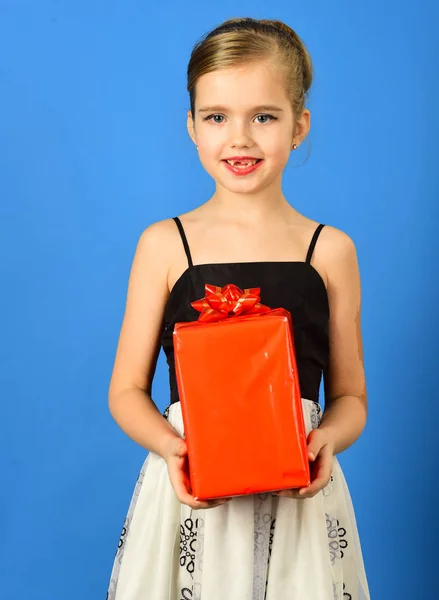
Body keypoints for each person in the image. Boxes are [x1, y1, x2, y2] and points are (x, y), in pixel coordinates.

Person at [105, 17, 370, 600]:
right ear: (192, 127)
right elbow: (126, 390)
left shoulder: (330, 251)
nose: (240, 138)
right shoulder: (164, 245)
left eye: (265, 116)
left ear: (299, 126)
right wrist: (175, 450)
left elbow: (350, 397)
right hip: (193, 490)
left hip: (297, 492)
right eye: (217, 116)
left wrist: (329, 438)